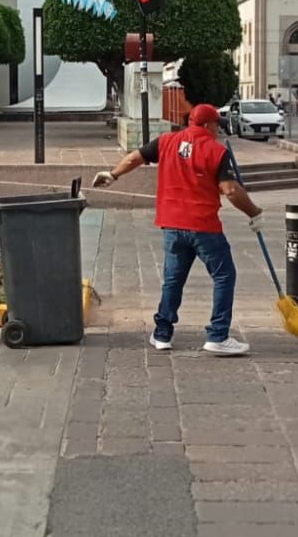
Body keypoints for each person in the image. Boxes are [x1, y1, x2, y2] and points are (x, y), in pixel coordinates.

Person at [92, 103, 264, 356]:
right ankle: (218, 335)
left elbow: (134, 158)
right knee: (224, 276)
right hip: (203, 226)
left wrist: (113, 174)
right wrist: (254, 212)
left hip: (172, 224)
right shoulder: (216, 151)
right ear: (207, 125)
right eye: (217, 124)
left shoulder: (166, 142)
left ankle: (162, 334)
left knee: (173, 280)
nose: (218, 129)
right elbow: (230, 190)